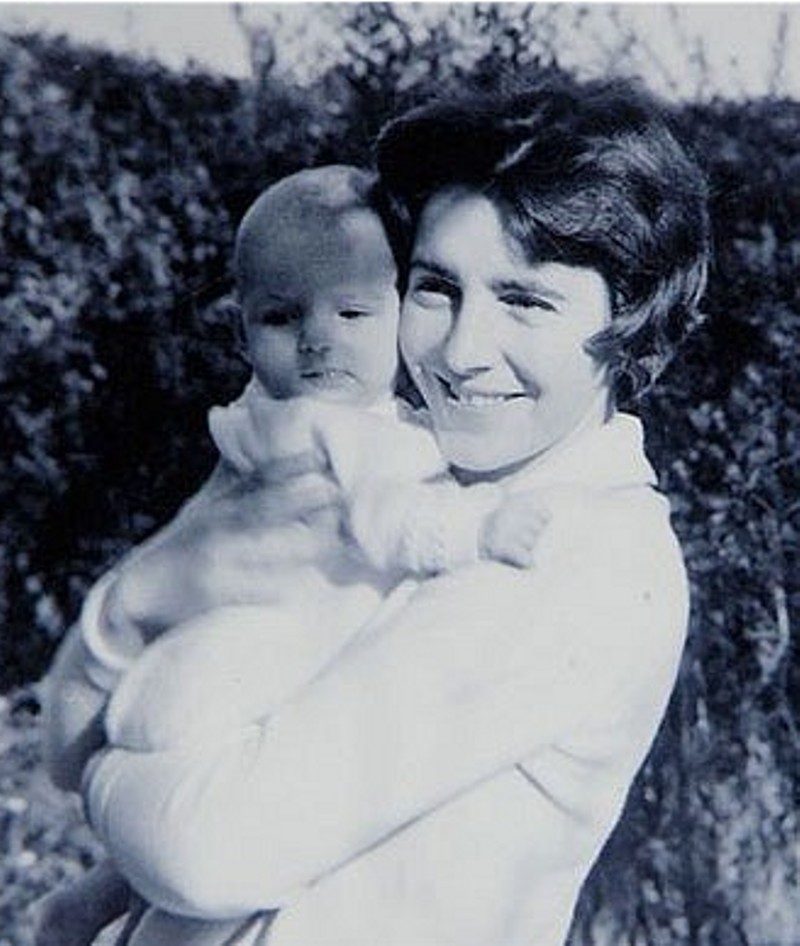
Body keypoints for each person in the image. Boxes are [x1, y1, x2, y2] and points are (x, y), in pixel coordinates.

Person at [45, 76, 709, 946]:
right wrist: (137, 604)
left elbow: (207, 849)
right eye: (436, 289)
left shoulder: (574, 552)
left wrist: (102, 767)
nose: (465, 352)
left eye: (526, 300)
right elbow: (80, 717)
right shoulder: (416, 481)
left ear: (631, 320)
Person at [38, 164, 551, 946]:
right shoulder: (332, 430)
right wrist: (478, 530)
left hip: (192, 685)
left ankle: (82, 912)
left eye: (352, 312)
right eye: (284, 319)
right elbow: (390, 520)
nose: (319, 341)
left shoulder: (268, 417)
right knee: (224, 884)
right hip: (233, 689)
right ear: (242, 333)